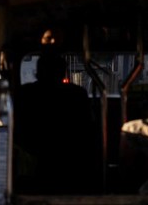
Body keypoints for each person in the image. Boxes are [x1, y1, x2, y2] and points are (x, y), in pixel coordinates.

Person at [15, 53, 94, 194]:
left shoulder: (25, 93)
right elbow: (87, 130)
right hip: (70, 159)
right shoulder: (77, 94)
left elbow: (18, 129)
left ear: (38, 72)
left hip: (32, 155)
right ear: (62, 72)